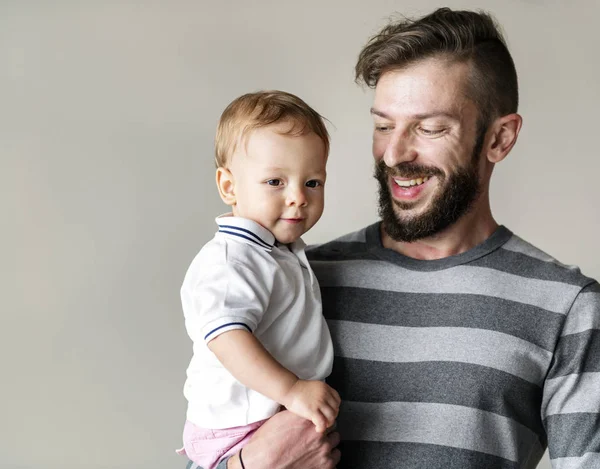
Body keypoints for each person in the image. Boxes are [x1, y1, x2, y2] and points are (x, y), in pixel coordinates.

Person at [196, 8, 600, 469]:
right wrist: (249, 466)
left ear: (499, 139)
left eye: (429, 128)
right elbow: (211, 439)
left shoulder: (567, 307)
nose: (394, 154)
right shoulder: (297, 278)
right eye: (384, 125)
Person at [178, 90, 340, 469]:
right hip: (236, 430)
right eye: (275, 182)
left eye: (312, 182)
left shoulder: (277, 252)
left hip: (268, 421)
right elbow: (226, 337)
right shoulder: (232, 258)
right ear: (229, 186)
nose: (298, 197)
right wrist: (292, 389)